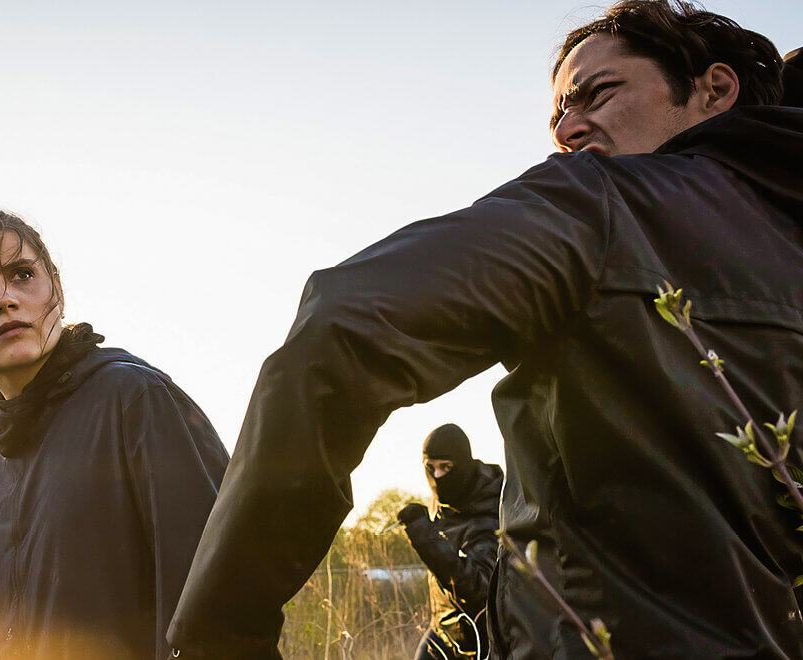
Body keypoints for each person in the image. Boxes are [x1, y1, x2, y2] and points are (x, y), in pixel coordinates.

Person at [168, 1, 802, 657]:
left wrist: (222, 633)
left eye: (599, 93)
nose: (568, 129)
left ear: (713, 90)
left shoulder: (602, 201)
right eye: (558, 115)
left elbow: (343, 325)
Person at [0, 207, 230, 658]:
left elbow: (221, 603)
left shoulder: (134, 398)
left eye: (22, 275)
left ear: (57, 289)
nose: (4, 299)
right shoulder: (3, 463)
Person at [396, 424, 501, 659]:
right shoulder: (442, 503)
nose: (437, 476)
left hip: (481, 643)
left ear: (463, 465)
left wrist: (424, 535)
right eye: (430, 468)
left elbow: (478, 588)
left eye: (446, 467)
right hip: (442, 632)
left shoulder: (492, 510)